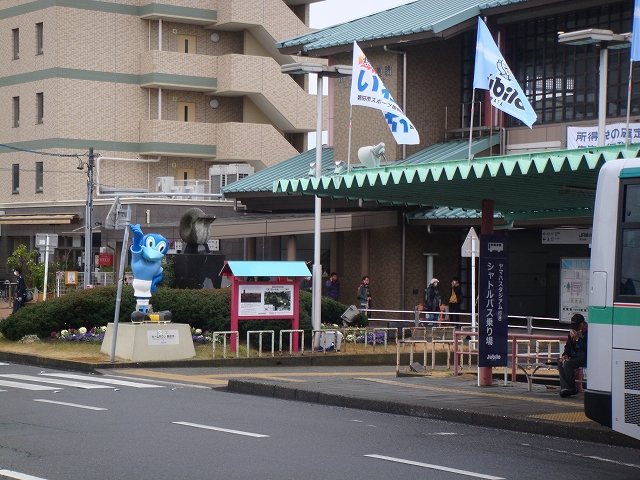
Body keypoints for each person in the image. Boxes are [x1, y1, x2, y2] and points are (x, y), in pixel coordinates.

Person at [558, 313, 588, 398]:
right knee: (561, 362)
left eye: (577, 326)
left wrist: (578, 339)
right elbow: (568, 345)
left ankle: (572, 388)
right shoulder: (572, 332)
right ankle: (565, 387)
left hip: (585, 357)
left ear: (582, 324)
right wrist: (565, 354)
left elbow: (587, 347)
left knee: (568, 364)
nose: (575, 328)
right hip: (574, 356)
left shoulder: (589, 332)